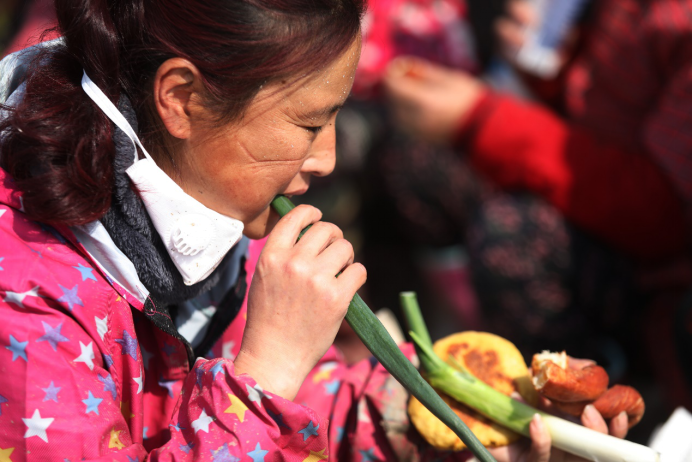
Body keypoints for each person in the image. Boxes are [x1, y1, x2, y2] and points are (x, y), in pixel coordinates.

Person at [0, 0, 626, 460]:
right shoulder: (25, 302)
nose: (326, 157)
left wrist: (470, 413)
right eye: (308, 123)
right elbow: (268, 388)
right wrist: (267, 372)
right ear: (182, 98)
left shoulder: (198, 219)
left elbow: (306, 397)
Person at [383, 0, 691, 359]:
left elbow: (660, 219)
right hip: (595, 198)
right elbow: (600, 112)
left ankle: (579, 390)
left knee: (512, 236)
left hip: (654, 281)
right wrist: (547, 70)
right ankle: (464, 334)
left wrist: (482, 120)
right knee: (418, 155)